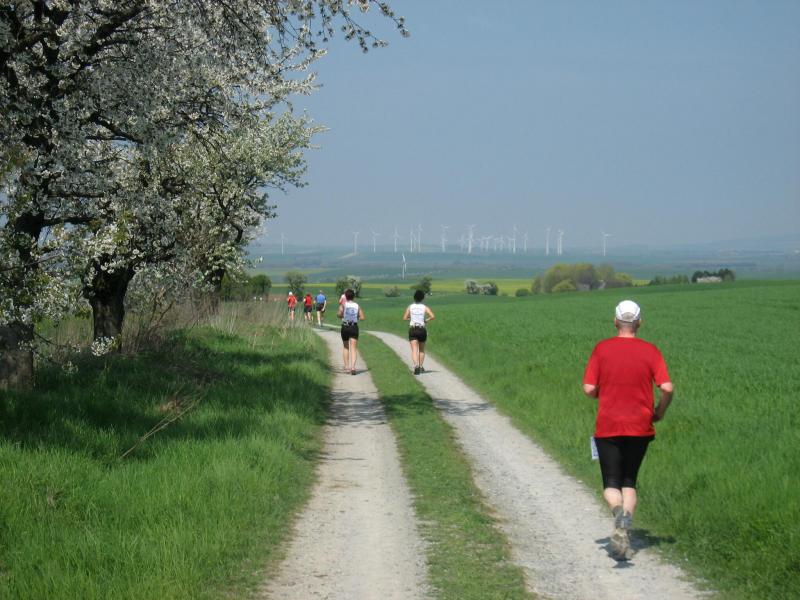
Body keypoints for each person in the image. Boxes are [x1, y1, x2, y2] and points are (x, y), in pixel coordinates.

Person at [582, 300, 673, 561]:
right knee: (629, 481)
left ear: (615, 321)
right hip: (640, 427)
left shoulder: (602, 348)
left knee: (611, 482)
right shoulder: (651, 350)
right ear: (639, 323)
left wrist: (601, 393)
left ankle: (618, 513)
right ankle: (626, 524)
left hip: (608, 425)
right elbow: (667, 387)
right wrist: (660, 412)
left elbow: (589, 388)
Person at [402, 289, 435, 374]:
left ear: (414, 297)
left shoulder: (410, 307)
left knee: (414, 350)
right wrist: (426, 320)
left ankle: (416, 366)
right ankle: (420, 367)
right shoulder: (424, 307)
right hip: (421, 329)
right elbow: (432, 316)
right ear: (422, 298)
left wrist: (411, 318)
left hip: (413, 329)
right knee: (421, 350)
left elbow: (404, 318)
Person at [337, 289, 364, 375]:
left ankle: (347, 367)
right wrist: (355, 316)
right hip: (354, 327)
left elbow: (338, 315)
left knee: (346, 347)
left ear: (345, 296)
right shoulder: (357, 306)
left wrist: (343, 315)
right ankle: (353, 367)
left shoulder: (343, 305)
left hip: (345, 326)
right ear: (353, 297)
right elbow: (362, 317)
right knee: (353, 348)